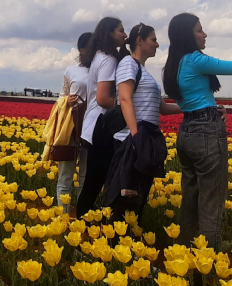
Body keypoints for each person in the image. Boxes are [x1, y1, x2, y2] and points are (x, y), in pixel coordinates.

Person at [163, 13, 230, 251]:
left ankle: (183, 256)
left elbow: (190, 101)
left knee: (190, 201)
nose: (205, 35)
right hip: (207, 133)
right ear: (188, 35)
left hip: (187, 132)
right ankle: (209, 264)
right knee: (211, 202)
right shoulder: (195, 60)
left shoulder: (175, 63)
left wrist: (213, 107)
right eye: (200, 30)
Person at [105, 23, 181, 222]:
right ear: (140, 41)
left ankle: (126, 242)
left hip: (144, 140)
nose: (157, 44)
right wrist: (136, 135)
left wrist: (193, 106)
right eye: (153, 39)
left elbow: (162, 108)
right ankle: (114, 245)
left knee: (137, 197)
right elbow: (124, 99)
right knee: (124, 197)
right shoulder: (128, 64)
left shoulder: (144, 71)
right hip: (130, 141)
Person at [76, 17, 127, 219]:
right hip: (103, 124)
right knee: (96, 181)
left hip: (94, 123)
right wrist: (126, 104)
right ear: (109, 33)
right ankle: (81, 225)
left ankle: (82, 224)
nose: (125, 34)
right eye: (121, 30)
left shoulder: (99, 56)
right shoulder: (108, 59)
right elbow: (104, 99)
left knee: (94, 180)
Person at [56, 32, 92, 213]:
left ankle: (82, 217)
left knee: (86, 176)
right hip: (71, 127)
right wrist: (66, 101)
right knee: (65, 175)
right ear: (82, 50)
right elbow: (61, 96)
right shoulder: (71, 70)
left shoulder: (102, 69)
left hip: (92, 127)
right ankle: (63, 217)